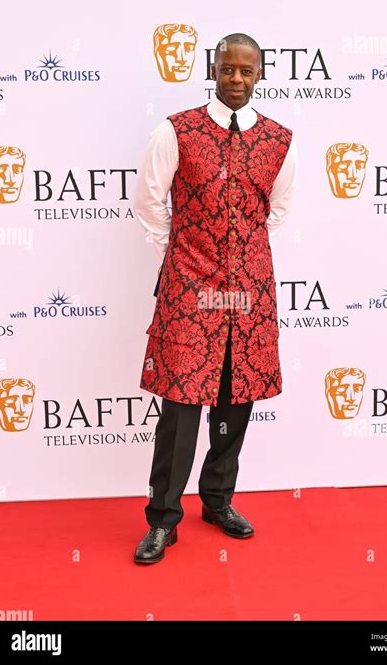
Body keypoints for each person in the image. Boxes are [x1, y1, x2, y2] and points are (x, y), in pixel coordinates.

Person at [133, 32, 298, 564]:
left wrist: (240, 256)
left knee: (235, 397)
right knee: (180, 403)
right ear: (214, 68)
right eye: (228, 69)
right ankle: (163, 519)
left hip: (248, 291)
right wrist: (182, 251)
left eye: (247, 71)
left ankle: (218, 500)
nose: (236, 79)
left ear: (260, 75)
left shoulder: (280, 140)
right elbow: (149, 200)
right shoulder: (175, 130)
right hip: (190, 285)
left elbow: (275, 211)